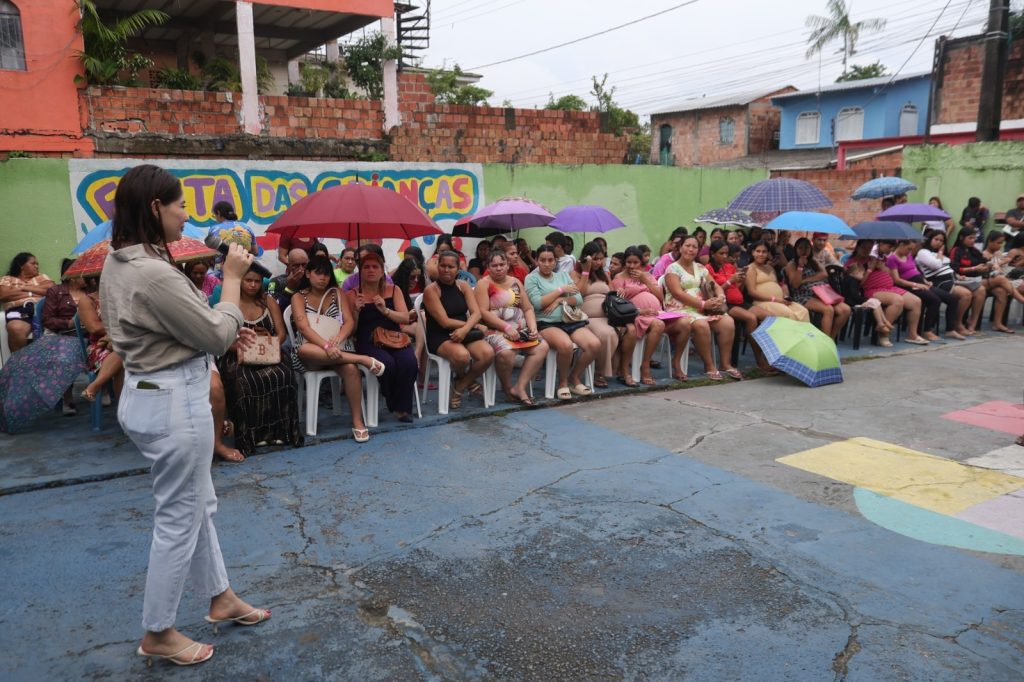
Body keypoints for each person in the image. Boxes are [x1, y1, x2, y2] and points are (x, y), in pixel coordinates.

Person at [99, 165, 269, 667]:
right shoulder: (150, 271)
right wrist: (233, 285)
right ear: (156, 208)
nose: (185, 213)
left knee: (197, 505)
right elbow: (216, 334)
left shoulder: (124, 262)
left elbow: (177, 328)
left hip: (154, 392)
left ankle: (220, 597)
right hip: (174, 402)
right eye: (178, 205)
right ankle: (158, 630)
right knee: (179, 517)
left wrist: (217, 325)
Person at [290, 256, 384, 442]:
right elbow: (303, 328)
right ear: (308, 274)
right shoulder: (298, 296)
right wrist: (325, 345)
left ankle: (358, 421)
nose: (322, 278)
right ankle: (361, 359)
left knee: (350, 369)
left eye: (326, 274)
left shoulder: (338, 293)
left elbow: (349, 322)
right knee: (303, 350)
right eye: (318, 273)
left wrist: (339, 338)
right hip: (313, 352)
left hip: (339, 349)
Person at [215, 267, 302, 457]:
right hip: (237, 354)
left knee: (284, 375)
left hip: (268, 352)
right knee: (243, 381)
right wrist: (244, 349)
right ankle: (250, 435)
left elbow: (281, 333)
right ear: (240, 281)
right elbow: (223, 337)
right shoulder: (229, 304)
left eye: (256, 281)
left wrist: (265, 347)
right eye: (248, 281)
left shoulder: (268, 301)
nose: (253, 285)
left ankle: (279, 431)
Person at [347, 251, 419, 422]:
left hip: (394, 337)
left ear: (382, 270)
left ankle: (402, 408)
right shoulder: (352, 294)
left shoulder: (394, 290)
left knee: (409, 362)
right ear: (360, 271)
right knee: (387, 364)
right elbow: (351, 331)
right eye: (366, 267)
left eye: (375, 267)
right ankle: (394, 400)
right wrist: (356, 311)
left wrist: (385, 310)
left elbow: (404, 317)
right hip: (367, 340)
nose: (370, 270)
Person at [525, 245, 600, 399]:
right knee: (565, 346)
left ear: (556, 261)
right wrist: (560, 291)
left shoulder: (563, 276)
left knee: (594, 344)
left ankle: (574, 377)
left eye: (550, 260)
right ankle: (563, 382)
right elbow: (538, 303)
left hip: (569, 320)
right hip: (546, 323)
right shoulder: (531, 278)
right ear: (537, 261)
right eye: (542, 260)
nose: (546, 263)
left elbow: (578, 299)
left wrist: (560, 300)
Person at [422, 251, 495, 409]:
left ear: (458, 268)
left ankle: (460, 385)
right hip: (440, 335)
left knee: (487, 354)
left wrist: (466, 328)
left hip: (464, 331)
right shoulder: (431, 290)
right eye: (442, 265)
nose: (446, 270)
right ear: (437, 266)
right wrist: (471, 326)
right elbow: (444, 322)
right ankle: (466, 380)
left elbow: (476, 313)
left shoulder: (463, 286)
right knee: (462, 356)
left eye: (451, 266)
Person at [662, 237, 741, 381]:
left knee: (727, 321)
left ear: (698, 250)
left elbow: (715, 285)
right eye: (687, 246)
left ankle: (725, 363)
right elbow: (677, 293)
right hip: (680, 309)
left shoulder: (700, 267)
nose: (690, 249)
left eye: (694, 247)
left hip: (701, 309)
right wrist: (703, 305)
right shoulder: (672, 268)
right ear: (680, 248)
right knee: (701, 324)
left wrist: (720, 297)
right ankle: (709, 366)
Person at [475, 250, 547, 406]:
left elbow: (527, 308)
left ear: (507, 265)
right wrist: (506, 327)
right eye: (494, 265)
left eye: (502, 264)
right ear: (488, 267)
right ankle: (507, 388)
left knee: (542, 347)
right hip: (495, 330)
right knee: (506, 353)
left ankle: (519, 387)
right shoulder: (484, 283)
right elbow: (483, 312)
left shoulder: (515, 281)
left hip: (520, 330)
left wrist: (533, 328)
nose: (499, 268)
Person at [706, 240, 775, 373]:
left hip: (739, 300)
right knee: (751, 318)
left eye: (727, 253)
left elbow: (736, 288)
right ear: (713, 254)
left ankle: (771, 356)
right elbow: (714, 291)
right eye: (722, 253)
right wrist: (730, 281)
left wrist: (740, 280)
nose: (725, 256)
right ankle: (759, 359)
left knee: (770, 317)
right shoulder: (708, 268)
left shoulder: (730, 266)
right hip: (726, 304)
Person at [846, 240, 928, 345]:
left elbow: (892, 276)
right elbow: (858, 284)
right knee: (897, 300)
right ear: (857, 247)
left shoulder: (874, 259)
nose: (867, 250)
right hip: (871, 290)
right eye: (864, 247)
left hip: (889, 287)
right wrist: (870, 269)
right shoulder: (853, 262)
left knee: (916, 301)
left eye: (869, 248)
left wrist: (882, 267)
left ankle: (912, 335)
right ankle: (883, 335)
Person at [612, 246, 669, 386]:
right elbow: (618, 303)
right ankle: (628, 369)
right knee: (651, 326)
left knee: (660, 325)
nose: (632, 266)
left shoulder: (647, 276)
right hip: (632, 314)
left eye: (635, 262)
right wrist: (639, 310)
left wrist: (646, 280)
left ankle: (645, 365)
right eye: (629, 262)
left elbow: (661, 297)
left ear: (641, 263)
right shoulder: (619, 278)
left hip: (653, 315)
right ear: (625, 262)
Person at [950, 228, 1021, 334]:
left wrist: (990, 265)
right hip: (962, 281)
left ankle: (990, 323)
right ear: (961, 238)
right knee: (1001, 279)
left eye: (974, 238)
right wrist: (974, 269)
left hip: (977, 280)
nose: (973, 240)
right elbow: (954, 268)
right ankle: (1021, 299)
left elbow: (984, 263)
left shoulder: (974, 250)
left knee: (1001, 291)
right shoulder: (956, 250)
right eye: (970, 238)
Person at [886, 240, 956, 342]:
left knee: (951, 298)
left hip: (920, 282)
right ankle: (927, 330)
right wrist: (915, 284)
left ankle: (950, 328)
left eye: (911, 249)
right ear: (901, 245)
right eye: (908, 249)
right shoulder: (892, 258)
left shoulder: (909, 255)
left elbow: (916, 270)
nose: (909, 251)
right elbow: (896, 280)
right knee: (934, 300)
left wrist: (925, 281)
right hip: (908, 285)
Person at [915, 230, 978, 339]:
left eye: (941, 241)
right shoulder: (923, 252)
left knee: (979, 290)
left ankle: (953, 327)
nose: (938, 242)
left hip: (952, 279)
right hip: (938, 281)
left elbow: (947, 267)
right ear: (930, 239)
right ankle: (957, 324)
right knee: (965, 294)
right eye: (936, 239)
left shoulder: (940, 254)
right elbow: (936, 265)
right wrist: (940, 253)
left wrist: (957, 275)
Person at [573, 242, 619, 388]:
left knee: (627, 329)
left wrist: (618, 294)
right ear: (586, 258)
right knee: (607, 333)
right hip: (587, 317)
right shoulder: (575, 274)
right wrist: (586, 271)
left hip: (607, 314)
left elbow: (611, 292)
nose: (599, 262)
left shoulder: (604, 274)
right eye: (595, 259)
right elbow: (578, 294)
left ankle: (621, 370)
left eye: (601, 258)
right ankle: (599, 372)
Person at [785, 237, 851, 340]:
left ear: (810, 249)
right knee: (828, 310)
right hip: (803, 295)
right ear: (796, 250)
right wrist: (800, 267)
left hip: (821, 292)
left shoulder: (813, 261)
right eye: (800, 248)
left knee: (845, 310)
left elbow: (824, 274)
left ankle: (830, 339)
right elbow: (795, 284)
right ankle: (824, 342)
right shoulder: (791, 264)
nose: (804, 251)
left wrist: (806, 280)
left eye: (806, 248)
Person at [1, 252, 54, 353]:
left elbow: (51, 290)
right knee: (15, 328)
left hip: (43, 310)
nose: (37, 266)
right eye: (33, 263)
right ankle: (19, 363)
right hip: (18, 312)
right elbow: (4, 295)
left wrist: (24, 288)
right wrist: (34, 293)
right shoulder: (7, 279)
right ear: (21, 265)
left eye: (37, 264)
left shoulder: (41, 277)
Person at [745, 241, 810, 322]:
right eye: (758, 251)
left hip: (780, 300)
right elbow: (752, 292)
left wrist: (785, 295)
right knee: (787, 313)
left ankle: (802, 334)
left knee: (803, 311)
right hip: (763, 302)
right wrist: (774, 299)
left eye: (764, 252)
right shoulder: (751, 268)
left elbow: (778, 285)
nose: (761, 254)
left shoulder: (770, 267)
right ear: (753, 253)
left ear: (768, 253)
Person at [841, 261, 895, 345]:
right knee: (874, 302)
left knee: (876, 302)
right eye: (863, 274)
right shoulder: (852, 281)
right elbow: (854, 296)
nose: (863, 277)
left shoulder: (850, 280)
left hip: (853, 301)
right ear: (856, 272)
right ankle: (881, 323)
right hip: (852, 303)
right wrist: (866, 299)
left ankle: (883, 322)